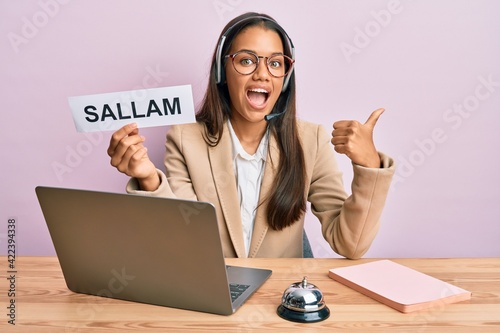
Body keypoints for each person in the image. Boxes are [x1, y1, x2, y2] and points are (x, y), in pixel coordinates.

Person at [107, 12, 395, 259]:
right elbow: (181, 237)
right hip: (215, 291)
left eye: (275, 63)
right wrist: (149, 178)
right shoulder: (185, 139)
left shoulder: (311, 141)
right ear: (222, 70)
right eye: (246, 61)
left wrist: (369, 166)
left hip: (280, 300)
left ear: (285, 77)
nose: (262, 74)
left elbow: (351, 245)